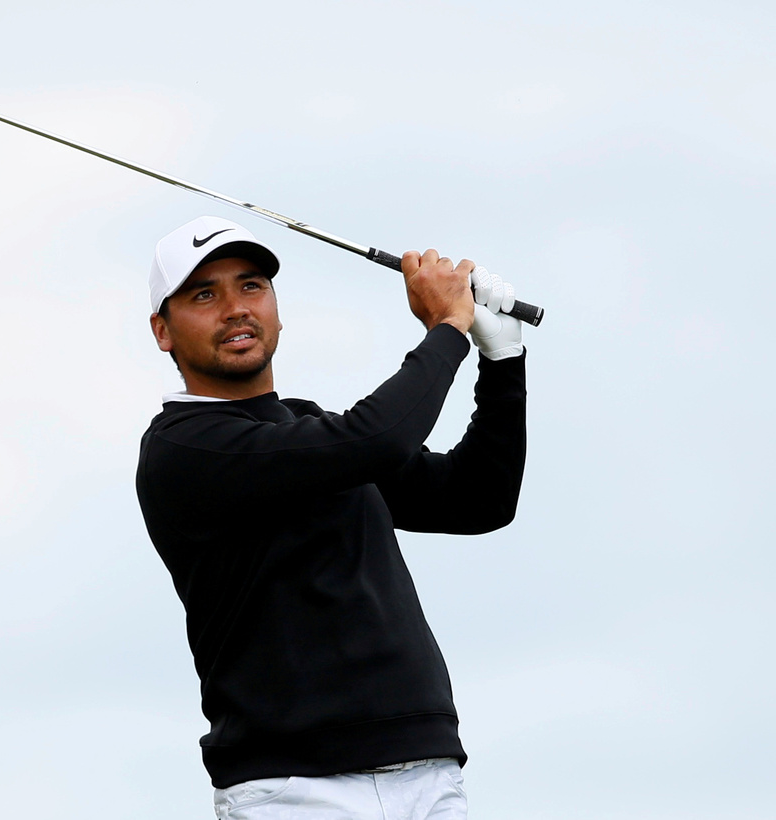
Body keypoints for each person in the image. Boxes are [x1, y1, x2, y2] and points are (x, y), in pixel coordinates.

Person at [135, 215, 527, 819]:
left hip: (426, 773)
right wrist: (448, 327)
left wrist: (501, 360)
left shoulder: (308, 426)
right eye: (204, 295)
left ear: (276, 309)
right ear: (162, 331)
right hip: (293, 789)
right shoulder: (182, 447)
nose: (236, 309)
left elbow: (478, 499)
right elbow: (377, 439)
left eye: (251, 285)